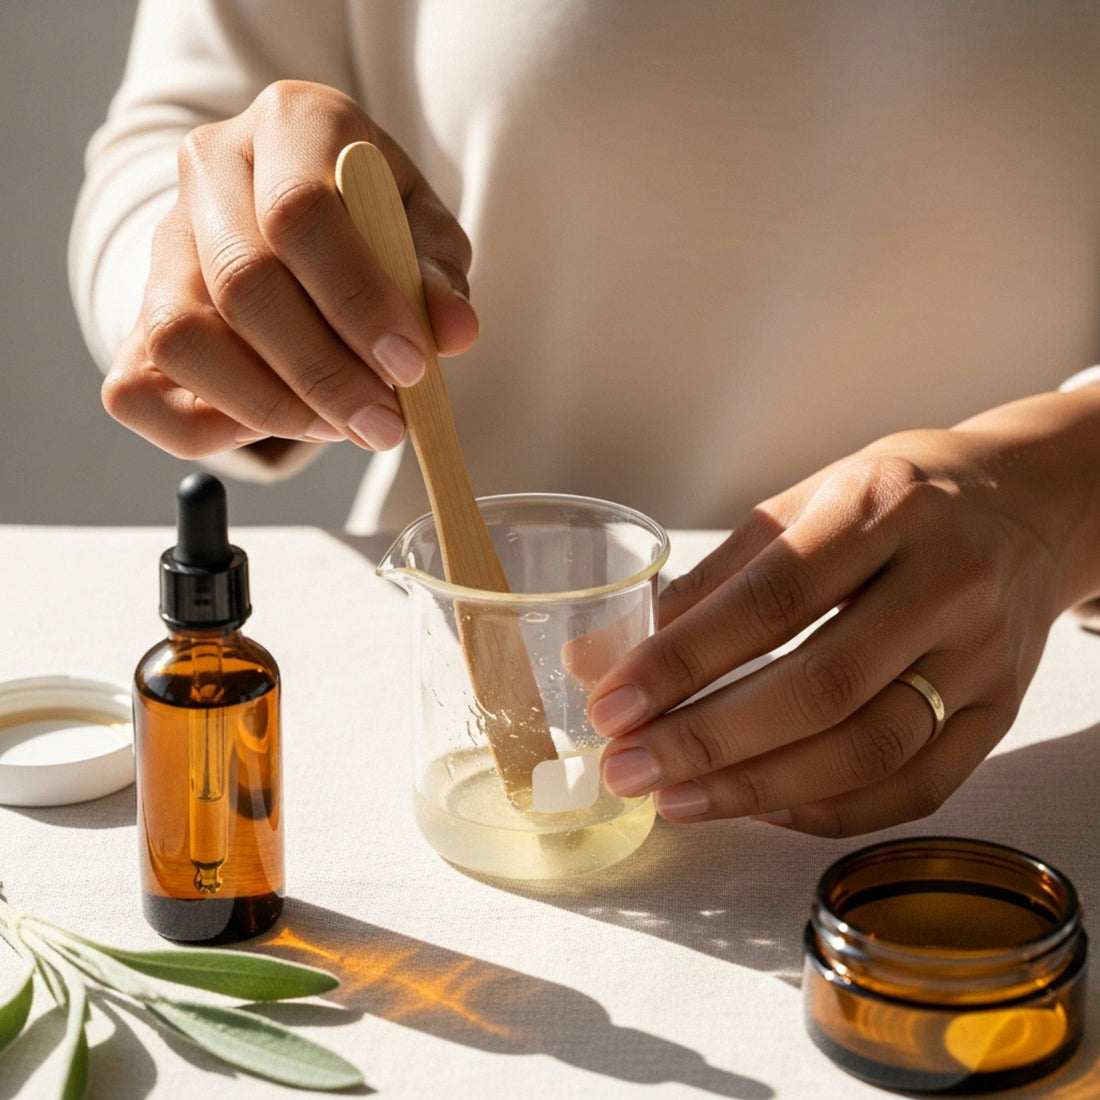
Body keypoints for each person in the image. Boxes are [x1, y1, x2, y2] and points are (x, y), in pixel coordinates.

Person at [71, 1, 1100, 838]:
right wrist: (220, 288)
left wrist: (1061, 489)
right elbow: (171, 137)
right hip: (448, 694)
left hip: (1002, 710)